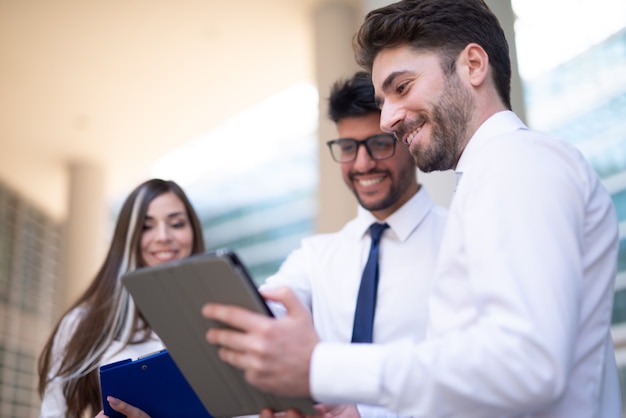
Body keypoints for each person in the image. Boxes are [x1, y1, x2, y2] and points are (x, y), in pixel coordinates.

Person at [201, 1, 622, 417]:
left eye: (401, 88)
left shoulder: (515, 162)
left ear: (473, 65)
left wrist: (319, 367)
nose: (387, 119)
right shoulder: (491, 177)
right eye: (384, 99)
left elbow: (526, 366)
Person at [92, 71, 448, 418]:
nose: (362, 163)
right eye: (347, 147)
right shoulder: (315, 257)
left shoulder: (457, 239)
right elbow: (257, 316)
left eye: (379, 144)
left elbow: (476, 376)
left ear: (407, 138)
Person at [38, 178, 206, 418]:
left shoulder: (222, 318)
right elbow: (52, 413)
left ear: (193, 231)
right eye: (146, 226)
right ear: (126, 238)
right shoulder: (83, 323)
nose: (163, 236)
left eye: (176, 223)